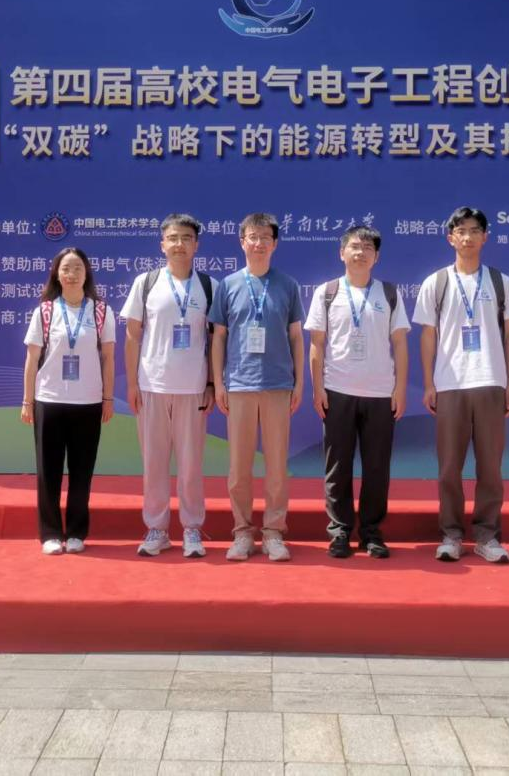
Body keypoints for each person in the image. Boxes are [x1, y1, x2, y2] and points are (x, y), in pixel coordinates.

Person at [412, 207, 509, 564]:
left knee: (490, 467)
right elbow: (427, 336)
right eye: (461, 231)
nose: (468, 237)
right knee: (449, 467)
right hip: (450, 384)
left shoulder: (500, 282)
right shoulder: (436, 282)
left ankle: (488, 536)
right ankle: (451, 535)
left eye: (475, 230)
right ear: (450, 238)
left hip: (491, 381)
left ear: (485, 237)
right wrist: (428, 383)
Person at [306, 225, 409, 559]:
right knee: (337, 467)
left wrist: (400, 389)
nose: (360, 252)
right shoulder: (327, 292)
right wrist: (318, 388)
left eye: (368, 247)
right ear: (342, 253)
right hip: (337, 390)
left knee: (377, 467)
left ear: (376, 257)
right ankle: (339, 532)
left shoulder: (389, 293)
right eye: (354, 246)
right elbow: (316, 345)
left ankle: (371, 533)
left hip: (380, 394)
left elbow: (400, 344)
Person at [208, 212, 305, 562]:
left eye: (266, 237)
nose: (259, 243)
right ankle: (243, 532)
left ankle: (274, 532)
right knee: (239, 468)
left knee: (277, 466)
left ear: (275, 244)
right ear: (242, 242)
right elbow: (219, 337)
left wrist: (299, 382)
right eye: (253, 236)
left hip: (278, 384)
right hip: (239, 385)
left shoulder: (288, 285)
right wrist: (219, 382)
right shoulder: (228, 285)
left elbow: (296, 337)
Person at [120, 213, 218, 559]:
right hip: (152, 385)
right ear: (162, 244)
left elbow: (215, 340)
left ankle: (192, 528)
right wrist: (133, 383)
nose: (179, 244)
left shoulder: (209, 286)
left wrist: (211, 383)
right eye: (173, 238)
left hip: (194, 387)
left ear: (196, 245)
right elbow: (132, 336)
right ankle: (157, 529)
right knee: (155, 463)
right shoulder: (146, 283)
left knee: (191, 465)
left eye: (186, 238)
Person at [20, 247, 116, 555]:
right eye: (66, 268)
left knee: (81, 472)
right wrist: (27, 401)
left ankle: (75, 532)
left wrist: (108, 398)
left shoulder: (101, 312)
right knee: (48, 471)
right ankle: (50, 533)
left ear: (87, 274)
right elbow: (32, 359)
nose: (71, 274)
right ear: (56, 274)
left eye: (77, 268)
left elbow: (109, 358)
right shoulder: (45, 312)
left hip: (88, 402)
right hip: (49, 400)